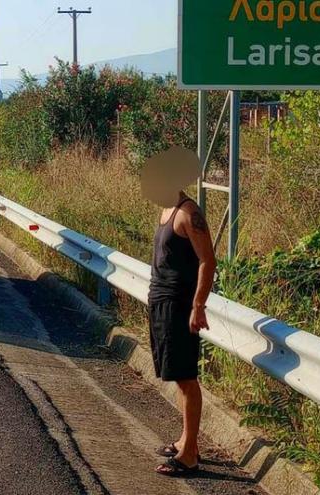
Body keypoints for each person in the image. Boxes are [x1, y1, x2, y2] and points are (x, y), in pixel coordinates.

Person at [140, 147, 218, 477]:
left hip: (180, 304)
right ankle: (186, 440)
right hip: (160, 301)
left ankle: (189, 455)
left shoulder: (188, 213)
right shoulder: (166, 211)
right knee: (175, 374)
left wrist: (197, 306)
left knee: (186, 377)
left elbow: (208, 261)